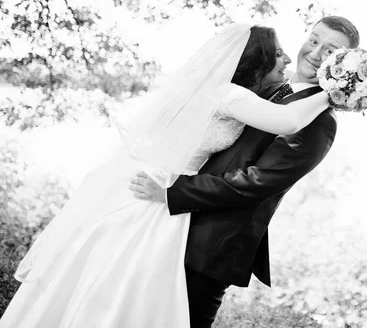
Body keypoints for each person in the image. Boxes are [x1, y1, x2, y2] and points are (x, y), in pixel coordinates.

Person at [0, 24, 332, 328]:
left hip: (156, 190)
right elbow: (287, 122)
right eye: (277, 54)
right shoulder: (233, 96)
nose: (288, 57)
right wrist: (336, 91)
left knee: (109, 283)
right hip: (159, 195)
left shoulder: (222, 91)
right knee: (127, 291)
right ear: (256, 63)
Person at [130, 16, 360, 327]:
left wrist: (174, 192)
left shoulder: (319, 122)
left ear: (343, 66)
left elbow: (256, 184)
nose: (315, 52)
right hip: (176, 224)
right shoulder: (270, 85)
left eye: (331, 51)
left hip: (213, 242)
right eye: (314, 39)